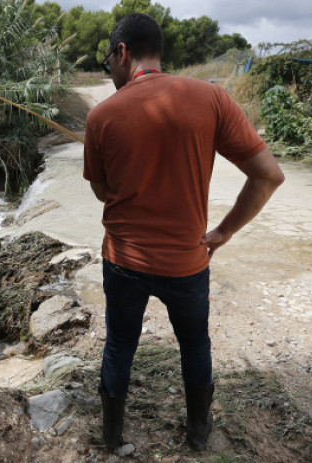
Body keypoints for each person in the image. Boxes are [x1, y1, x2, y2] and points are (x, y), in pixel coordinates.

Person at [83, 13, 285, 453]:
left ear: (122, 53)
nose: (111, 73)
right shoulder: (211, 98)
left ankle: (113, 439)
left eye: (109, 63)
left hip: (123, 261)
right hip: (187, 261)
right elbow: (268, 176)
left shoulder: (101, 116)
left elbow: (103, 193)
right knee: (195, 343)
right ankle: (197, 436)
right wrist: (223, 233)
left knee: (120, 345)